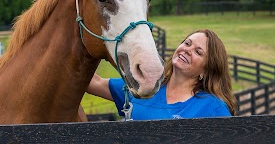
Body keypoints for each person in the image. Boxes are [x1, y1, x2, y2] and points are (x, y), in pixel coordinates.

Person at [87, 29, 236, 120]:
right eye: (187, 43)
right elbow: (94, 83)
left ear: (206, 70)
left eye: (198, 52)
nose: (187, 50)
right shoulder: (146, 86)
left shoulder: (213, 107)